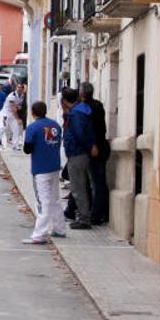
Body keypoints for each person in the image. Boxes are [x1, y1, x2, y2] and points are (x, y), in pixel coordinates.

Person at [22, 101, 66, 244]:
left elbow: (27, 149)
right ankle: (60, 228)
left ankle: (39, 234)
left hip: (40, 168)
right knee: (55, 199)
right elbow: (59, 143)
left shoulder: (32, 127)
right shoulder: (56, 126)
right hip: (54, 166)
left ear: (33, 113)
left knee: (43, 202)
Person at [62, 87, 95, 229]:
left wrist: (87, 146)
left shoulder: (75, 114)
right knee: (82, 186)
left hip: (77, 153)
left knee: (78, 187)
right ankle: (84, 215)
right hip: (82, 153)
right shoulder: (82, 110)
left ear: (64, 101)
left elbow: (79, 133)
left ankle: (83, 218)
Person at [82, 82, 111, 225]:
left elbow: (91, 129)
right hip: (101, 147)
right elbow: (102, 128)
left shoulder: (86, 108)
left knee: (95, 183)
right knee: (99, 182)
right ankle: (102, 212)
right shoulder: (98, 105)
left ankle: (96, 214)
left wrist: (92, 145)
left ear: (82, 93)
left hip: (94, 149)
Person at [5, 81, 25, 150]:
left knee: (16, 129)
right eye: (18, 87)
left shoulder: (22, 96)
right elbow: (13, 109)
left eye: (20, 88)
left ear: (23, 89)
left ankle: (15, 145)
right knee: (4, 129)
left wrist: (17, 106)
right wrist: (18, 119)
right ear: (16, 88)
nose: (19, 89)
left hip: (13, 114)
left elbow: (18, 106)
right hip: (7, 113)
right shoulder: (12, 95)